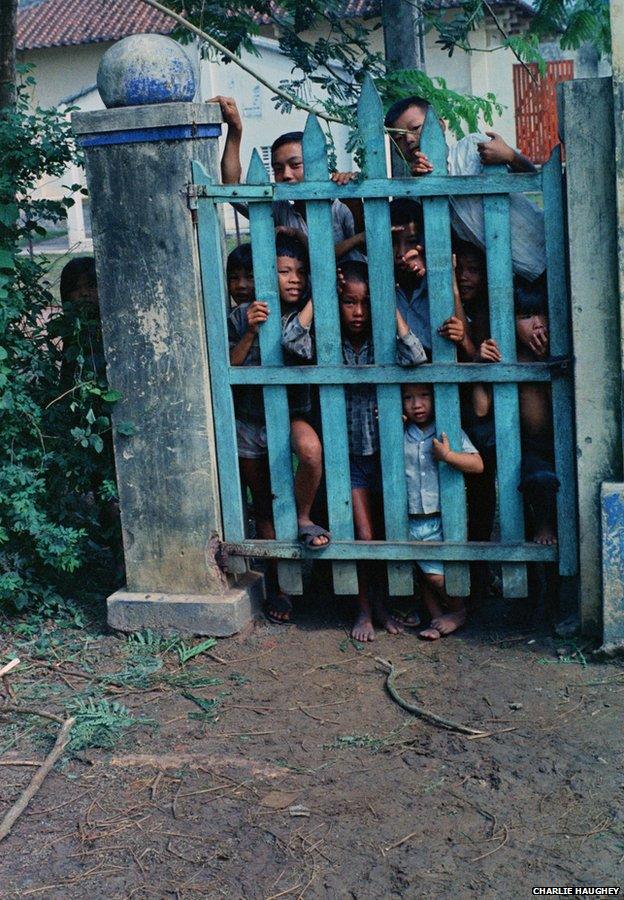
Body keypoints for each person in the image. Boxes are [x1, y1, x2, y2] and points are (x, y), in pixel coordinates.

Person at [283, 259, 427, 640]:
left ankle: (382, 604)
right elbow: (292, 339)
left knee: (390, 533)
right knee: (363, 535)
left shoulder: (384, 338)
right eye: (349, 301)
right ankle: (364, 610)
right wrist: (322, 295)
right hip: (350, 459)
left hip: (388, 455)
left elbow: (417, 355)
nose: (358, 312)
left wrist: (387, 303)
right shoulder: (329, 339)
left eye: (365, 302)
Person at [228, 233, 330, 625]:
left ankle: (303, 517)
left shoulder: (311, 312)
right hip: (250, 417)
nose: (294, 279)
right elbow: (231, 367)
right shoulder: (242, 316)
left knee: (310, 453)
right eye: (284, 272)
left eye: (301, 273)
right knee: (264, 504)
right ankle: (279, 587)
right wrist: (252, 331)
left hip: (290, 413)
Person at [384, 96, 546, 283]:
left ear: (440, 126)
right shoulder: (419, 185)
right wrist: (422, 185)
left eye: (415, 128)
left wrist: (510, 156)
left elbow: (533, 177)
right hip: (515, 275)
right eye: (399, 138)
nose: (410, 139)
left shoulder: (471, 148)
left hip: (544, 248)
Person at [211, 95, 365, 261]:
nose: (285, 175)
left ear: (316, 166)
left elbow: (370, 247)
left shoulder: (341, 207)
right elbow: (232, 188)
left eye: (295, 165)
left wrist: (354, 202)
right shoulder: (281, 211)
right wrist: (235, 129)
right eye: (278, 169)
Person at [472, 275, 559, 545]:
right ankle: (542, 524)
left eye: (541, 313)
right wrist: (479, 364)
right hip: (528, 447)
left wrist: (545, 362)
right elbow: (481, 409)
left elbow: (561, 403)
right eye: (526, 316)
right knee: (538, 477)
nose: (538, 324)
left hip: (560, 442)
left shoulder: (558, 351)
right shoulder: (507, 356)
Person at [402, 383, 483, 639]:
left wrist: (449, 456)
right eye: (408, 398)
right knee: (424, 574)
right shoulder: (399, 432)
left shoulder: (447, 430)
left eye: (424, 395)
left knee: (436, 576)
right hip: (406, 517)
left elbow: (477, 464)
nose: (417, 404)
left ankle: (458, 611)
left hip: (439, 518)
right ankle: (436, 617)